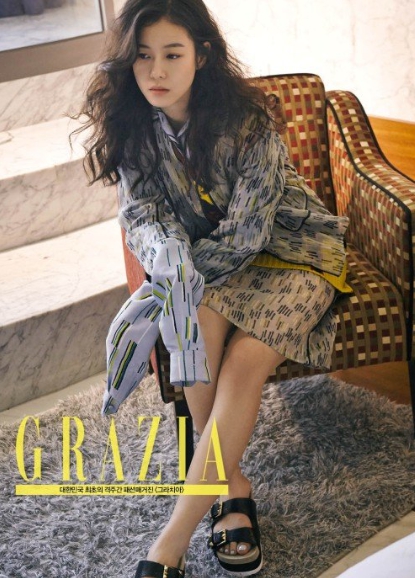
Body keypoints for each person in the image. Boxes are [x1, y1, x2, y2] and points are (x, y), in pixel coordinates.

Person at [75, 0, 351, 576]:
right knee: (191, 324)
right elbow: (143, 217)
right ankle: (231, 483)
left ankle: (168, 545)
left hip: (293, 253)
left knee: (243, 363)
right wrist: (171, 265)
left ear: (201, 55)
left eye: (172, 54)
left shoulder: (249, 120)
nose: (156, 71)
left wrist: (184, 272)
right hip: (212, 265)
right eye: (143, 56)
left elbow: (249, 233)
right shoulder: (134, 128)